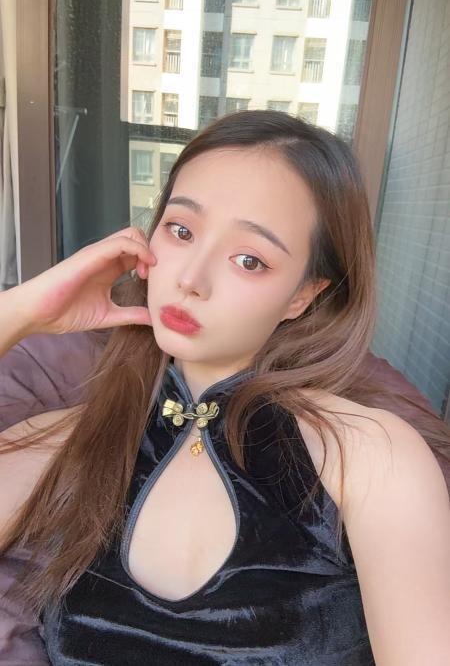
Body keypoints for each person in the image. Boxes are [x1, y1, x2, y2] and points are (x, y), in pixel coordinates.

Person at [0, 110, 449, 665]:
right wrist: (21, 313)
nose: (191, 279)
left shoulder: (368, 453)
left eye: (249, 259)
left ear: (302, 295)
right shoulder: (71, 440)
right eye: (181, 230)